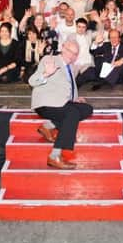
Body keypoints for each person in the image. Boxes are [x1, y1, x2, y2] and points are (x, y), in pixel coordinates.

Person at [29, 40, 93, 169]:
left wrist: (75, 99)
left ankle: (49, 126)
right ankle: (55, 156)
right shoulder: (50, 59)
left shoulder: (70, 67)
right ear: (62, 48)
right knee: (72, 113)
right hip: (45, 104)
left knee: (87, 108)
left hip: (61, 103)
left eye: (75, 54)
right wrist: (46, 73)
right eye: (70, 51)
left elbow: (67, 89)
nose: (72, 56)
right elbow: (32, 81)